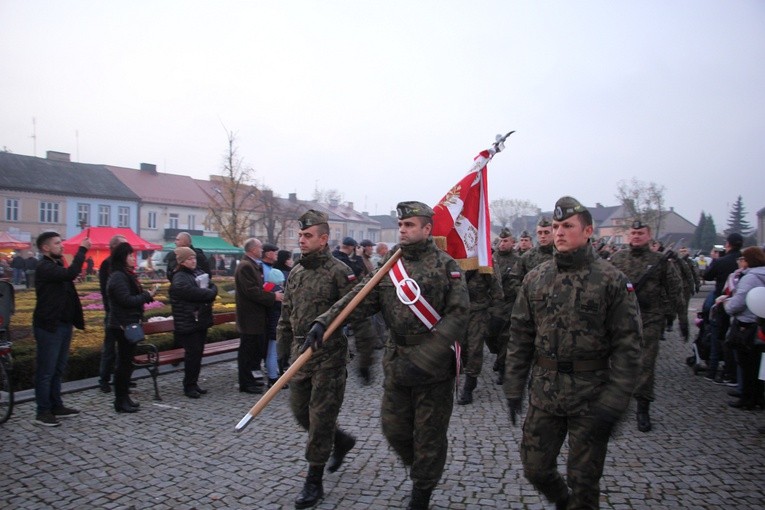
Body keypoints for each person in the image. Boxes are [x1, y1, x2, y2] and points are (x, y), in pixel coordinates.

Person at [312, 201, 469, 510]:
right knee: (393, 428)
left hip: (434, 368)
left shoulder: (446, 265)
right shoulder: (389, 265)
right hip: (397, 362)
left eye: (409, 225)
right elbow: (359, 300)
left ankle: (421, 493)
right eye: (401, 225)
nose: (402, 230)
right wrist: (325, 321)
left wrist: (427, 356)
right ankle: (422, 468)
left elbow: (459, 315)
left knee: (429, 435)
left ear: (426, 229)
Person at [504, 197, 642, 509]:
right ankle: (563, 502)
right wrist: (514, 387)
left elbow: (628, 346)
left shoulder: (611, 280)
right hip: (545, 392)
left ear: (589, 231)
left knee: (584, 481)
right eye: (555, 227)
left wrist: (616, 400)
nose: (559, 233)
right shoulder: (536, 278)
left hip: (591, 395)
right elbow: (520, 336)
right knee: (535, 468)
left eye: (568, 226)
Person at [276, 210, 359, 509]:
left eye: (308, 235)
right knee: (301, 413)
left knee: (321, 418)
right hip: (301, 354)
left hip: (329, 356)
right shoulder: (296, 271)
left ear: (323, 239)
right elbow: (286, 314)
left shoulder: (339, 271)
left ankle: (314, 481)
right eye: (300, 235)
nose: (302, 240)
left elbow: (354, 307)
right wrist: (282, 347)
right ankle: (342, 441)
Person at [609, 220, 682, 432]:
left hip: (649, 318)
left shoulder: (660, 261)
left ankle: (643, 407)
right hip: (621, 318)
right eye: (633, 233)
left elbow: (674, 289)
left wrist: (671, 314)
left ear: (648, 235)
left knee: (645, 363)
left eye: (640, 233)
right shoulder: (617, 259)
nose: (636, 237)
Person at [32, 231, 91, 427]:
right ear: (45, 248)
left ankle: (56, 405)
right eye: (57, 243)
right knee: (46, 370)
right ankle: (43, 411)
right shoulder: (44, 267)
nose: (61, 245)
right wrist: (82, 250)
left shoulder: (56, 265)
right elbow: (70, 274)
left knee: (58, 369)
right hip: (49, 325)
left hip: (63, 324)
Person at [106, 242, 158, 413]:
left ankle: (124, 398)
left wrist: (146, 296)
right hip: (122, 324)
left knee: (127, 363)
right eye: (129, 255)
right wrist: (146, 295)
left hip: (128, 322)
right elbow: (126, 300)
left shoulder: (125, 275)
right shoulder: (118, 276)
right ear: (122, 257)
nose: (133, 258)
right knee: (123, 364)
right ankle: (120, 400)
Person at [170, 246, 218, 398]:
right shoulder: (179, 277)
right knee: (192, 355)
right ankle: (189, 386)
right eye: (190, 259)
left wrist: (210, 292)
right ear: (182, 261)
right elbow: (195, 293)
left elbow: (211, 285)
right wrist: (209, 293)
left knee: (197, 355)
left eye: (194, 258)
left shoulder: (196, 272)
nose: (193, 261)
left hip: (199, 321)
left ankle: (194, 383)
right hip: (188, 322)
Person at [721, 246, 765, 409]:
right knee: (760, 366)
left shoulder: (750, 278)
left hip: (747, 325)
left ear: (748, 261)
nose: (739, 262)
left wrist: (726, 304)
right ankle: (758, 396)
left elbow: (738, 303)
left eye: (742, 259)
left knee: (747, 365)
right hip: (761, 324)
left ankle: (747, 398)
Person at [235, 238, 281, 394]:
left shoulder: (254, 265)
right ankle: (246, 382)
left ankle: (254, 379)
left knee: (255, 351)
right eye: (260, 247)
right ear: (253, 249)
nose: (262, 250)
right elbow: (252, 291)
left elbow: (258, 288)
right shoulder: (245, 266)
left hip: (257, 316)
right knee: (248, 352)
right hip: (249, 317)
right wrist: (273, 297)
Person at [457, 260, 503, 405]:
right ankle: (464, 370)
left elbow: (497, 291)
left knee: (474, 349)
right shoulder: (456, 259)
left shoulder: (485, 261)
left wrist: (496, 315)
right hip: (459, 312)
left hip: (479, 312)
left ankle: (469, 386)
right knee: (461, 347)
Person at [702, 233, 744, 383]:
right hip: (742, 305)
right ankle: (731, 372)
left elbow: (707, 275)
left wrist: (714, 261)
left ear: (727, 244)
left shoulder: (721, 261)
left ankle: (712, 371)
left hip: (722, 301)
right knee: (736, 339)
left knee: (717, 336)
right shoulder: (745, 260)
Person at [98, 234, 127, 393]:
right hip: (113, 312)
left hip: (125, 314)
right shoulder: (107, 264)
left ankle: (121, 379)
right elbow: (106, 290)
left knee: (123, 349)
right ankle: (104, 379)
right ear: (115, 247)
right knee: (109, 348)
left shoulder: (123, 264)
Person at [491, 228, 521, 385]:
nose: (502, 244)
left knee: (505, 337)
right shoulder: (492, 258)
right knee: (490, 334)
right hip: (493, 303)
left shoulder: (517, 260)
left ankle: (503, 368)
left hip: (509, 303)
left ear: (512, 243)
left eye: (506, 241)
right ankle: (497, 356)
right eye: (501, 241)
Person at [263, 268, 286, 387]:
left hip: (268, 324)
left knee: (270, 352)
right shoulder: (278, 292)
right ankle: (273, 378)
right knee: (274, 353)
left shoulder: (265, 287)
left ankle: (273, 374)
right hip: (276, 324)